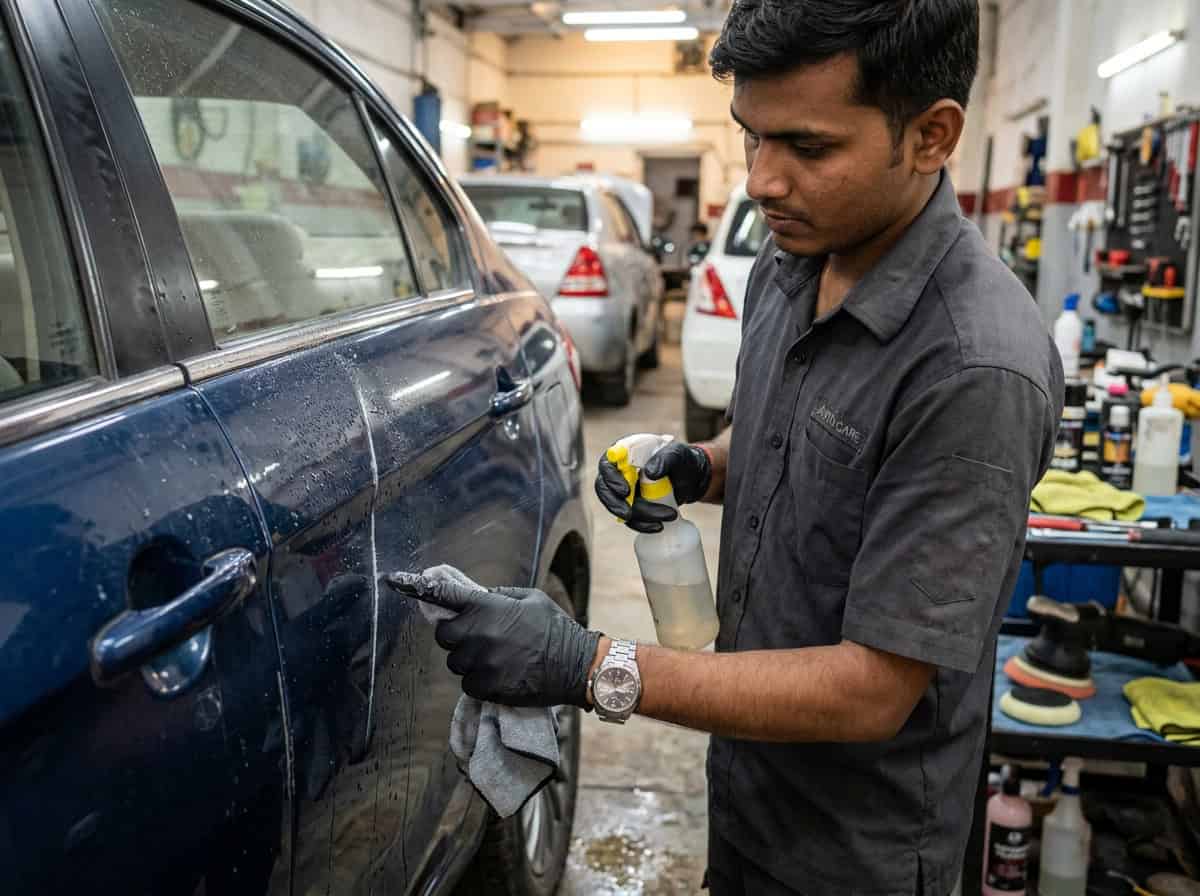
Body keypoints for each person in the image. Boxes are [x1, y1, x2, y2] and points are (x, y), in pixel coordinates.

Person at [387, 2, 1064, 893]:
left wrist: (591, 666)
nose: (761, 181)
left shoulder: (974, 368)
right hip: (749, 796)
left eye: (808, 148)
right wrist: (702, 465)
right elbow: (801, 435)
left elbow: (873, 687)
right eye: (751, 138)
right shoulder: (793, 267)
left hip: (855, 855)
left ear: (931, 136)